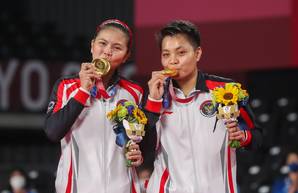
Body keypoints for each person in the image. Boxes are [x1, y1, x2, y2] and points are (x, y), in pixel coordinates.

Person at [143, 20, 263, 193]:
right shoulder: (155, 94)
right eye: (166, 54)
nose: (173, 61)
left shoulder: (227, 90)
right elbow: (141, 147)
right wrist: (154, 102)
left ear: (197, 53)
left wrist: (242, 136)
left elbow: (258, 136)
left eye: (181, 52)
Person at [44, 19, 144, 193]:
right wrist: (83, 90)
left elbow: (142, 140)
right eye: (102, 44)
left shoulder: (134, 92)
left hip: (123, 188)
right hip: (76, 188)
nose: (107, 52)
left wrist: (138, 155)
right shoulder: (66, 86)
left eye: (117, 48)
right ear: (92, 46)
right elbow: (53, 132)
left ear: (126, 56)